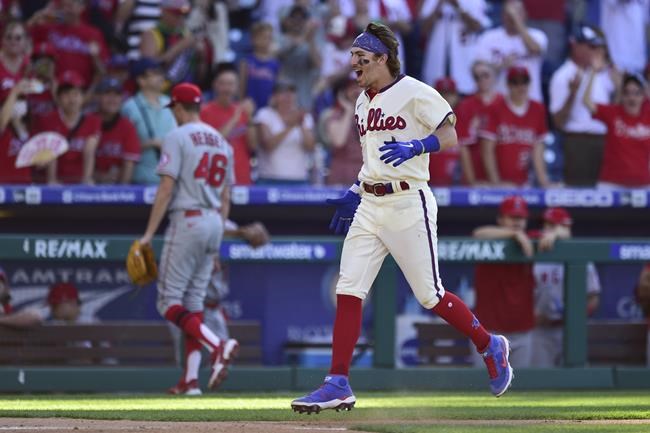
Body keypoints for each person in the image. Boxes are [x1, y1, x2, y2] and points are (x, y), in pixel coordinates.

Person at [291, 22, 513, 415]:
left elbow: (450, 136)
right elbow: (371, 160)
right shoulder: (362, 101)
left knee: (430, 294)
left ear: (383, 59)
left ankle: (488, 344)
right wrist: (355, 192)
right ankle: (337, 381)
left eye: (362, 58)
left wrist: (418, 145)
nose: (354, 64)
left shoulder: (414, 91)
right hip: (371, 204)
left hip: (409, 202)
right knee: (349, 288)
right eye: (353, 58)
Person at [137, 82, 237, 395]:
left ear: (179, 107)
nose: (174, 114)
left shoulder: (177, 135)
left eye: (175, 109)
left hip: (188, 219)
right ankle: (190, 381)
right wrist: (217, 235)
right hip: (212, 222)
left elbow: (166, 188)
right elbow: (226, 197)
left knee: (168, 302)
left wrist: (148, 234)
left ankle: (217, 345)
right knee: (193, 305)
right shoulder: (222, 140)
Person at [167, 220, 269, 394]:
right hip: (186, 308)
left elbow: (260, 239)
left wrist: (242, 232)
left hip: (213, 308)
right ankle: (190, 385)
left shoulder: (224, 224)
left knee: (224, 363)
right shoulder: (183, 221)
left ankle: (212, 399)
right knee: (186, 361)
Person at [531, 207, 601, 367]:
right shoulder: (535, 253)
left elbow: (593, 298)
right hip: (540, 330)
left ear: (566, 228)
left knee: (575, 380)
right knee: (539, 382)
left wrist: (573, 316)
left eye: (553, 225)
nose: (547, 229)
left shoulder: (581, 256)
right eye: (545, 225)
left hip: (571, 329)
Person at [472, 195, 535, 368]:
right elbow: (478, 234)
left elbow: (563, 232)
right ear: (500, 219)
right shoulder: (490, 238)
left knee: (523, 391)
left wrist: (554, 235)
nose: (517, 222)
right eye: (512, 217)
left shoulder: (531, 240)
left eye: (521, 218)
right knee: (484, 388)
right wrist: (514, 234)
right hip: (488, 333)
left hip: (523, 332)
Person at [549, 24, 615, 187]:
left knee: (605, 196)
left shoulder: (601, 73)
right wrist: (572, 93)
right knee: (579, 196)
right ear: (576, 46)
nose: (596, 51)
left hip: (605, 142)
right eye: (591, 46)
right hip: (579, 143)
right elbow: (558, 122)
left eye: (598, 47)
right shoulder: (562, 76)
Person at [479, 66, 551, 188]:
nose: (521, 87)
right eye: (515, 82)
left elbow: (538, 149)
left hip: (524, 182)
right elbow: (487, 149)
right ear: (508, 85)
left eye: (524, 82)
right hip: (497, 182)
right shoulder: (495, 108)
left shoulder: (538, 109)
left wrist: (544, 181)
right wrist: (496, 183)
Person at [583, 72, 650, 188]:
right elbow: (587, 101)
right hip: (611, 184)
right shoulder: (613, 113)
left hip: (643, 185)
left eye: (636, 93)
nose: (631, 98)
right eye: (627, 93)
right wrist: (593, 72)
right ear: (622, 95)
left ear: (643, 96)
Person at [474, 0, 547, 102]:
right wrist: (501, 66)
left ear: (525, 14)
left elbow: (535, 49)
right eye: (509, 13)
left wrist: (516, 20)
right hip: (500, 101)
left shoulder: (537, 35)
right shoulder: (488, 38)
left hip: (530, 101)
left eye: (518, 12)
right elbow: (479, 71)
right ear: (502, 15)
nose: (512, 17)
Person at [37, 70, 102, 185]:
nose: (72, 99)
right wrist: (52, 181)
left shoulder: (93, 120)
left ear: (83, 97)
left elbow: (89, 151)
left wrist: (86, 180)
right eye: (66, 94)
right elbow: (51, 151)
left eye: (76, 94)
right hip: (53, 182)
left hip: (78, 182)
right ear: (58, 97)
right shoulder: (48, 119)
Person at [28, 0, 109, 88]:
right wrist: (37, 17)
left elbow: (103, 70)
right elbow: (22, 37)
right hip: (51, 88)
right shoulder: (49, 28)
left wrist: (95, 57)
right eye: (63, 6)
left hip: (80, 91)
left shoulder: (93, 33)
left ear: (81, 8)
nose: (66, 10)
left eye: (70, 6)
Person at [122, 57, 176, 185]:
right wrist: (151, 143)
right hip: (139, 179)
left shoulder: (170, 103)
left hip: (168, 181)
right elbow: (122, 148)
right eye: (154, 73)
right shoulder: (129, 107)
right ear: (141, 80)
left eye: (160, 72)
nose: (160, 77)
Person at [200, 65, 257, 185]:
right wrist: (234, 120)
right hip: (215, 178)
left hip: (242, 176)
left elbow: (253, 146)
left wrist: (250, 117)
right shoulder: (204, 112)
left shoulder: (244, 112)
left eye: (231, 84)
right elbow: (212, 143)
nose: (226, 88)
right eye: (222, 84)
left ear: (236, 87)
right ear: (215, 85)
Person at [419, 0, 491, 95]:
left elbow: (477, 26)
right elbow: (423, 29)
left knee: (463, 97)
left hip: (463, 59)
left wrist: (457, 6)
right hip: (437, 58)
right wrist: (439, 5)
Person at [254, 80, 316, 184]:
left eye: (291, 92)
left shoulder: (304, 117)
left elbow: (310, 147)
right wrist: (290, 126)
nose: (288, 96)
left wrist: (301, 125)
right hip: (269, 178)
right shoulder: (264, 114)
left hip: (299, 179)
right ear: (274, 97)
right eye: (283, 92)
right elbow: (268, 145)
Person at [455, 60, 501, 185]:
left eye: (485, 75)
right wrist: (472, 182)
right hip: (476, 175)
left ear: (494, 76)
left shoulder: (504, 103)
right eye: (477, 77)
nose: (481, 80)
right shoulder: (465, 106)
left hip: (504, 177)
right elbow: (463, 148)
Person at [94, 77, 141, 184]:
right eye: (107, 94)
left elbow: (129, 164)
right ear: (97, 97)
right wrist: (97, 176)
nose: (112, 99)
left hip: (117, 187)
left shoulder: (127, 126)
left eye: (117, 94)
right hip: (86, 188)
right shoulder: (87, 121)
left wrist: (120, 192)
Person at [319, 74, 363, 185]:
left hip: (367, 176)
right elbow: (339, 141)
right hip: (342, 175)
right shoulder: (332, 115)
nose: (356, 91)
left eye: (360, 86)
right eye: (351, 87)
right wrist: (348, 111)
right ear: (342, 93)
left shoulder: (375, 115)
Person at [238, 21, 279, 111]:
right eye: (263, 37)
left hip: (268, 108)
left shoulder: (275, 63)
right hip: (249, 107)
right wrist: (242, 103)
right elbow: (241, 87)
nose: (266, 41)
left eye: (269, 38)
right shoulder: (246, 61)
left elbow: (276, 88)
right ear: (253, 39)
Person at [428, 77, 461, 186]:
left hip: (457, 185)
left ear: (456, 97)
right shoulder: (423, 120)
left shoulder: (462, 121)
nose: (446, 98)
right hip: (427, 184)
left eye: (449, 94)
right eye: (441, 93)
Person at [0, 79, 32, 184]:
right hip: (3, 188)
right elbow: (2, 121)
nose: (17, 103)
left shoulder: (30, 128)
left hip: (26, 187)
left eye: (20, 99)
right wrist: (14, 92)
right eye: (13, 100)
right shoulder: (3, 129)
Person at [0, 20, 30, 101]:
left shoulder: (30, 63)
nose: (13, 41)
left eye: (18, 38)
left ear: (25, 41)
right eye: (9, 37)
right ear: (2, 40)